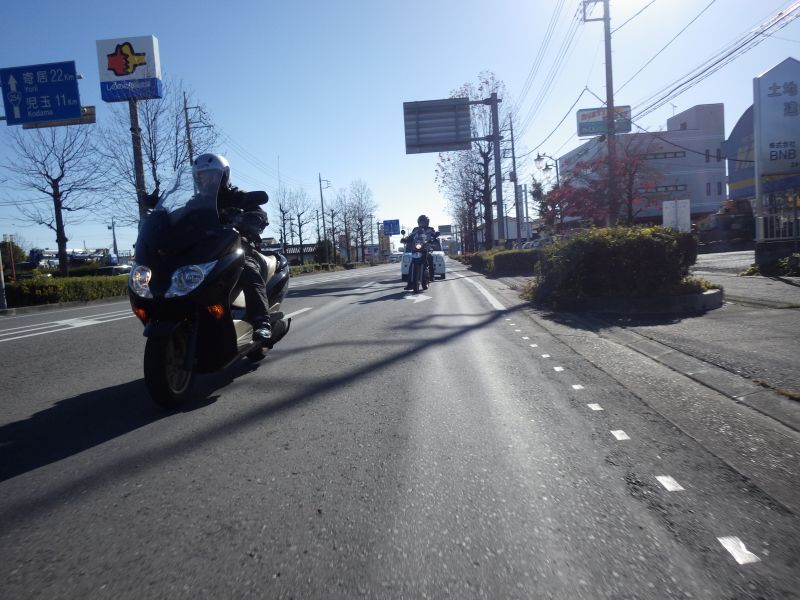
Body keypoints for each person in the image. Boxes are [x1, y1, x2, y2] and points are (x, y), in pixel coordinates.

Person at [192, 153, 272, 343]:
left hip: (236, 249)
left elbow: (259, 214)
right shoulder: (196, 204)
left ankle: (262, 321)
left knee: (247, 269)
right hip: (204, 255)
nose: (207, 180)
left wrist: (247, 219)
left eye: (212, 176)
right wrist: (161, 217)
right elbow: (179, 218)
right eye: (202, 176)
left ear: (223, 176)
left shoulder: (237, 197)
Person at [403, 214, 437, 291]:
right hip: (417, 248)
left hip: (426, 248)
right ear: (418, 222)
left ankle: (431, 276)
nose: (422, 223)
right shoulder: (415, 229)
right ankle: (410, 284)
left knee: (430, 258)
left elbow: (434, 235)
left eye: (423, 222)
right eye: (421, 222)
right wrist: (406, 239)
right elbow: (411, 236)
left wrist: (435, 236)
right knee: (412, 264)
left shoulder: (430, 229)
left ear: (427, 222)